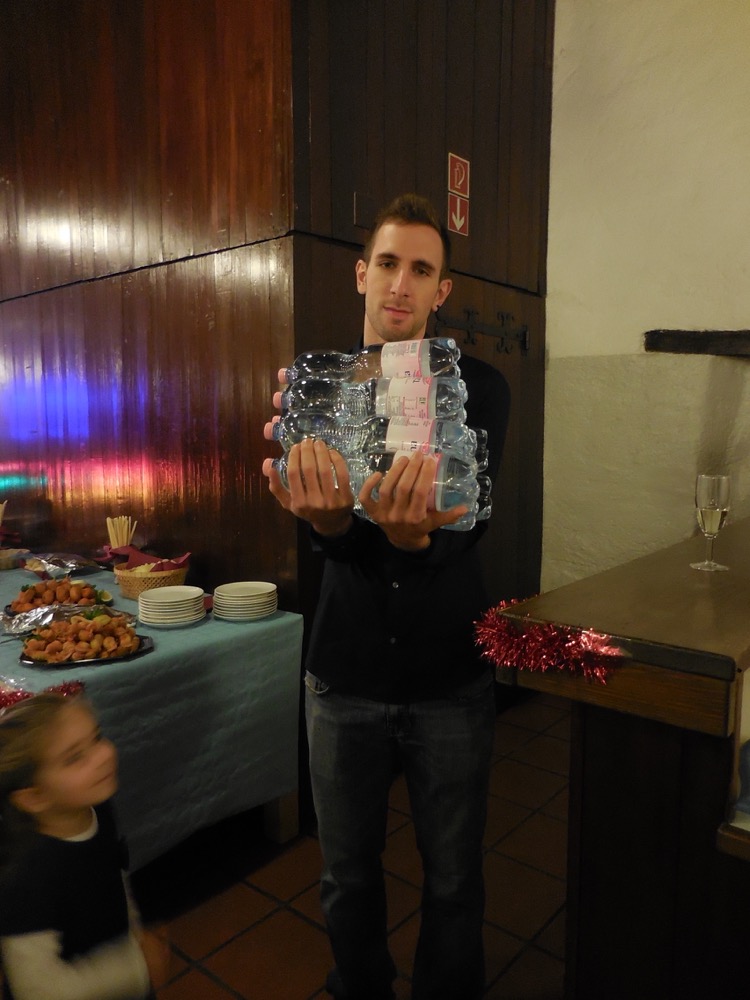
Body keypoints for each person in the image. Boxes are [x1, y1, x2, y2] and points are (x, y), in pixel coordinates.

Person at [264, 193, 510, 1000]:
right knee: (346, 876)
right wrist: (329, 525)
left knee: (455, 879)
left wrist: (415, 541)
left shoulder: (479, 388)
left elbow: (467, 527)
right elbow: (327, 538)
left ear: (443, 289)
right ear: (361, 273)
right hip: (346, 671)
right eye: (389, 263)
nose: (401, 283)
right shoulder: (320, 388)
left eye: (422, 269)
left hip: (450, 673)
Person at [0, 692, 170, 1000]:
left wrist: (133, 933)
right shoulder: (24, 879)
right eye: (74, 757)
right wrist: (137, 967)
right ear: (34, 797)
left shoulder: (97, 807)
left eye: (97, 737)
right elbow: (37, 991)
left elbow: (114, 873)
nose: (103, 754)